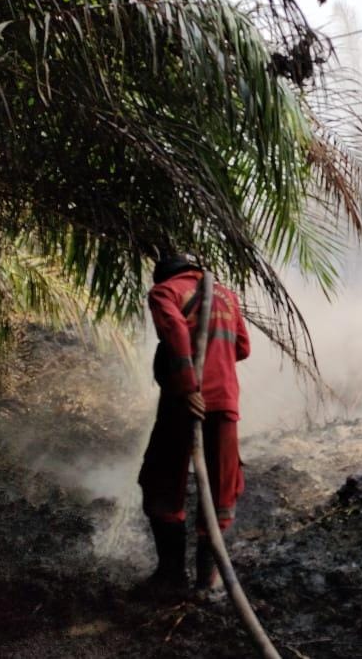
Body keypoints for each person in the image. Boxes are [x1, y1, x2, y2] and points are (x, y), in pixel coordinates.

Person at [138, 254, 250, 594]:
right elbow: (243, 347)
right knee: (221, 490)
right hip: (224, 403)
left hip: (182, 401)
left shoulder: (165, 292)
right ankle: (205, 584)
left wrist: (188, 387)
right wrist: (217, 356)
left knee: (161, 480)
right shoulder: (227, 296)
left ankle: (171, 577)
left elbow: (173, 331)